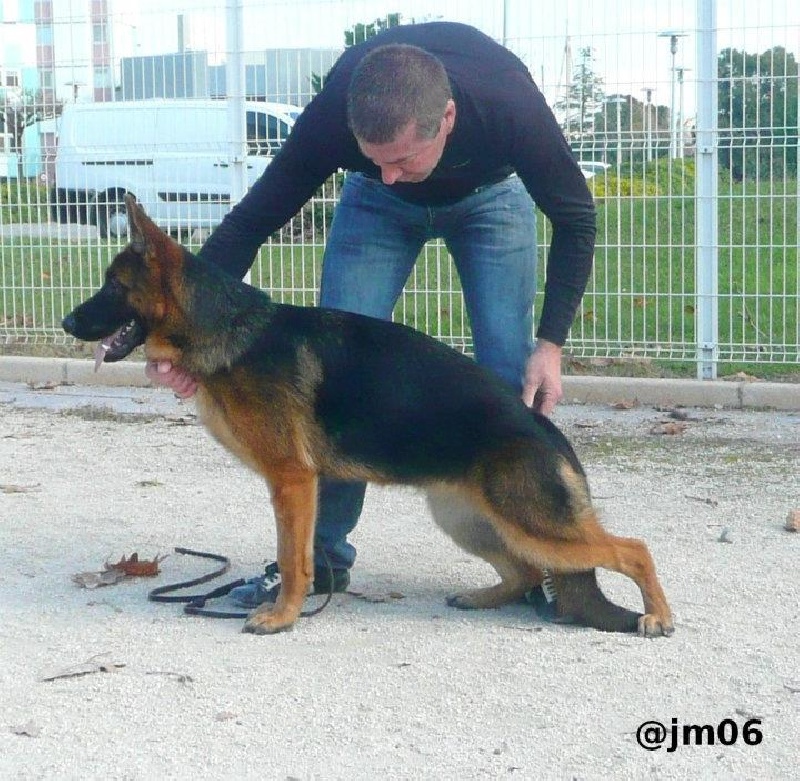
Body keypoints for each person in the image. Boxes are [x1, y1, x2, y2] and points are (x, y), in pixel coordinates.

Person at [143, 21, 596, 606]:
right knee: (330, 381)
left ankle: (538, 561)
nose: (391, 172)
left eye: (404, 157)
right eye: (372, 157)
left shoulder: (507, 103)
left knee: (509, 374)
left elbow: (576, 217)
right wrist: (182, 338)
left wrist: (552, 343)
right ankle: (320, 563)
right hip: (374, 214)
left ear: (448, 120)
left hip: (490, 200)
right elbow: (250, 223)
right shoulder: (338, 113)